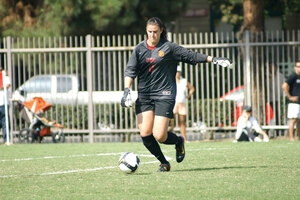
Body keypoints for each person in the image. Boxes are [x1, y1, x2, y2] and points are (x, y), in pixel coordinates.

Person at [121, 17, 232, 172]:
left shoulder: (169, 47)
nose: (152, 35)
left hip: (164, 94)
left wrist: (213, 59)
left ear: (161, 31)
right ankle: (164, 163)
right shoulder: (139, 49)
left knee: (159, 135)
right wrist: (127, 90)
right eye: (149, 32)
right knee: (146, 134)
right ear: (146, 31)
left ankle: (179, 141)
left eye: (155, 32)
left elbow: (190, 55)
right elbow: (130, 71)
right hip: (144, 95)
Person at [169, 65, 195, 142]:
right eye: (177, 72)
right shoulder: (171, 80)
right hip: (173, 102)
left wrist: (189, 95)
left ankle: (184, 138)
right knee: (171, 122)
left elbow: (192, 88)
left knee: (182, 121)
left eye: (179, 72)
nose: (178, 73)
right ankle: (169, 138)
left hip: (182, 102)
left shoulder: (184, 81)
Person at [282, 61, 300, 141]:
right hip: (294, 103)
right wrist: (290, 97)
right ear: (295, 67)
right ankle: (291, 138)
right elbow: (284, 86)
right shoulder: (292, 76)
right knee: (293, 120)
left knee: (299, 121)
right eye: (298, 66)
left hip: (299, 102)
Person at [0, 66, 11, 145]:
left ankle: (6, 140)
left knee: (5, 122)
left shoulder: (5, 77)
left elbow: (7, 85)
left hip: (4, 103)